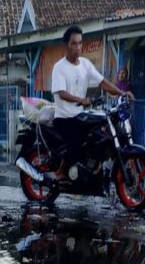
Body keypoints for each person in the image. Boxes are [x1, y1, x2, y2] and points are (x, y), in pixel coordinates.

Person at [51, 26, 134, 177]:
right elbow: (62, 93)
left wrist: (123, 93)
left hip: (79, 116)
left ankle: (97, 168)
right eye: (74, 43)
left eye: (80, 43)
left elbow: (103, 82)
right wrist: (81, 100)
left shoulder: (85, 64)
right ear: (67, 45)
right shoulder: (59, 67)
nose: (78, 47)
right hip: (63, 118)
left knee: (102, 134)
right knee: (76, 143)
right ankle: (60, 172)